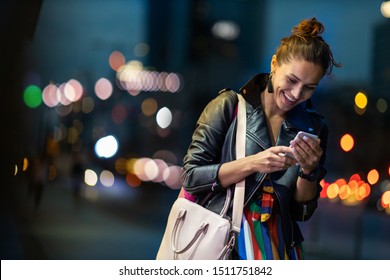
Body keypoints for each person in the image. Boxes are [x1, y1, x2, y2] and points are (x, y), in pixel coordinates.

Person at [181, 17, 341, 260]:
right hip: (223, 241)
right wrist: (254, 163)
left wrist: (309, 170)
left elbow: (301, 212)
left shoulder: (314, 127)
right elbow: (191, 177)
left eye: (309, 87)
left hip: (279, 246)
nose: (297, 94)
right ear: (274, 63)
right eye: (292, 80)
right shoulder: (228, 106)